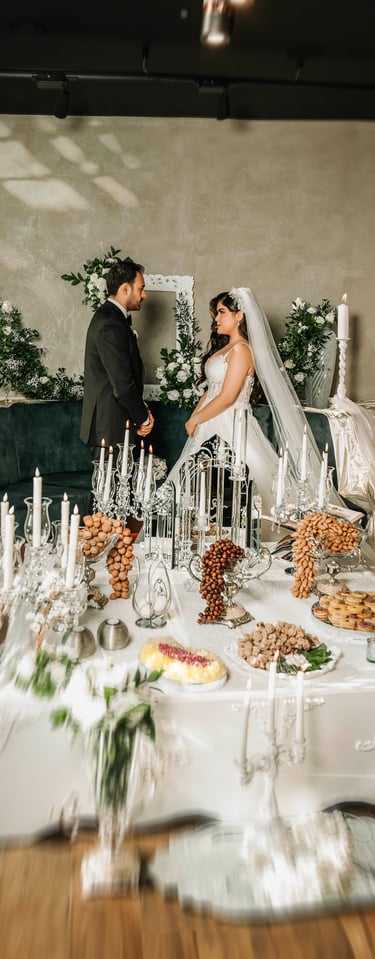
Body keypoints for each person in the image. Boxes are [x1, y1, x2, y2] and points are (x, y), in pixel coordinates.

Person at [168, 286, 343, 516]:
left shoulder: (241, 350)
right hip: (211, 417)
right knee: (200, 481)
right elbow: (211, 391)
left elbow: (228, 396)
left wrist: (198, 418)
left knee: (243, 478)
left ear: (239, 315)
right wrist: (194, 417)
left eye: (222, 312)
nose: (216, 319)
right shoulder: (226, 348)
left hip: (231, 421)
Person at [80, 258, 154, 453]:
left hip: (114, 426)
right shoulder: (111, 324)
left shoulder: (110, 318)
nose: (144, 294)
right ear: (125, 289)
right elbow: (122, 385)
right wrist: (144, 418)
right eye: (141, 288)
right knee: (110, 484)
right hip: (111, 429)